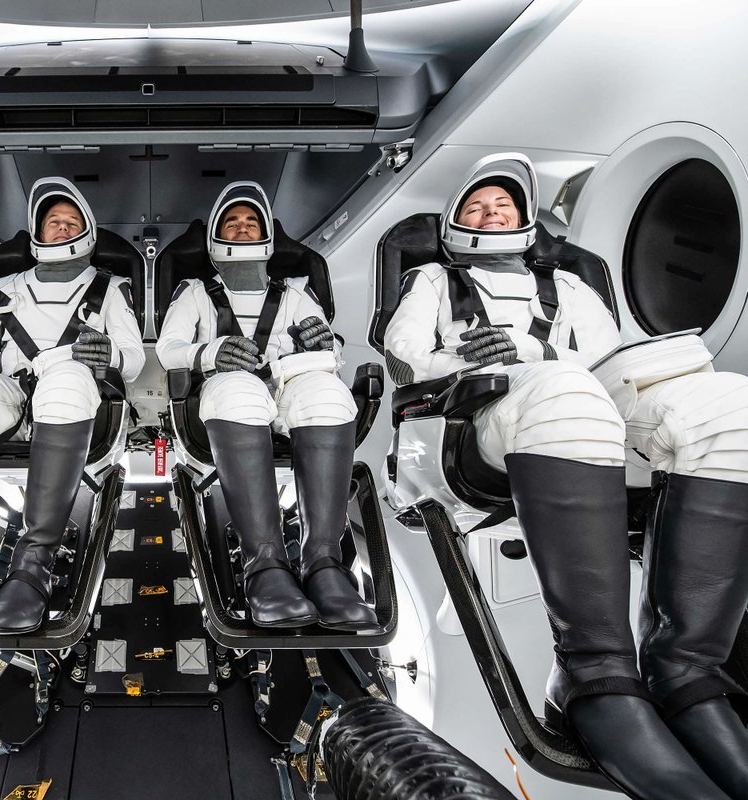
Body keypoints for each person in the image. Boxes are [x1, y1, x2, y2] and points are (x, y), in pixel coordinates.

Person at [385, 152, 748, 799]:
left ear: (525, 220)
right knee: (564, 388)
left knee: (729, 405)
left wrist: (538, 349)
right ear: (453, 222)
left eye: (503, 205)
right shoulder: (434, 281)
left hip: (583, 405)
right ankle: (592, 672)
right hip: (474, 420)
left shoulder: (571, 288)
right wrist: (466, 356)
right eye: (477, 206)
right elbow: (405, 356)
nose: (491, 214)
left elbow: (610, 360)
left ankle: (686, 669)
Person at [0, 177, 143, 640]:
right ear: (38, 232)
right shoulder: (4, 287)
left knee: (66, 376)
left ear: (88, 231)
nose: (62, 228)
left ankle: (33, 567)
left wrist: (110, 354)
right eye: (53, 221)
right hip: (12, 400)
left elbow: (135, 360)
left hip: (74, 396)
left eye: (72, 221)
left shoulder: (111, 287)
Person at [156, 182, 376, 631]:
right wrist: (211, 352)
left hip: (289, 384)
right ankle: (264, 566)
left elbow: (331, 351)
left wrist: (325, 342)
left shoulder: (295, 291)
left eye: (251, 222)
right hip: (227, 385)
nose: (242, 228)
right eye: (232, 223)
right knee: (239, 391)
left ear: (266, 235)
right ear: (216, 236)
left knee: (329, 395)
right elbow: (168, 349)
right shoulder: (194, 291)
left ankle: (324, 565)